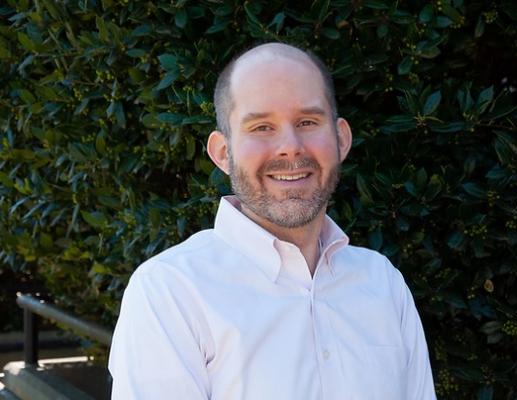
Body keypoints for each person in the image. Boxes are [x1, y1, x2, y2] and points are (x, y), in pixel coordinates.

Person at [108, 42, 436, 399]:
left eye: (308, 122)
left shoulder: (382, 283)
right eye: (261, 127)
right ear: (223, 152)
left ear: (341, 139)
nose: (290, 146)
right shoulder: (171, 291)